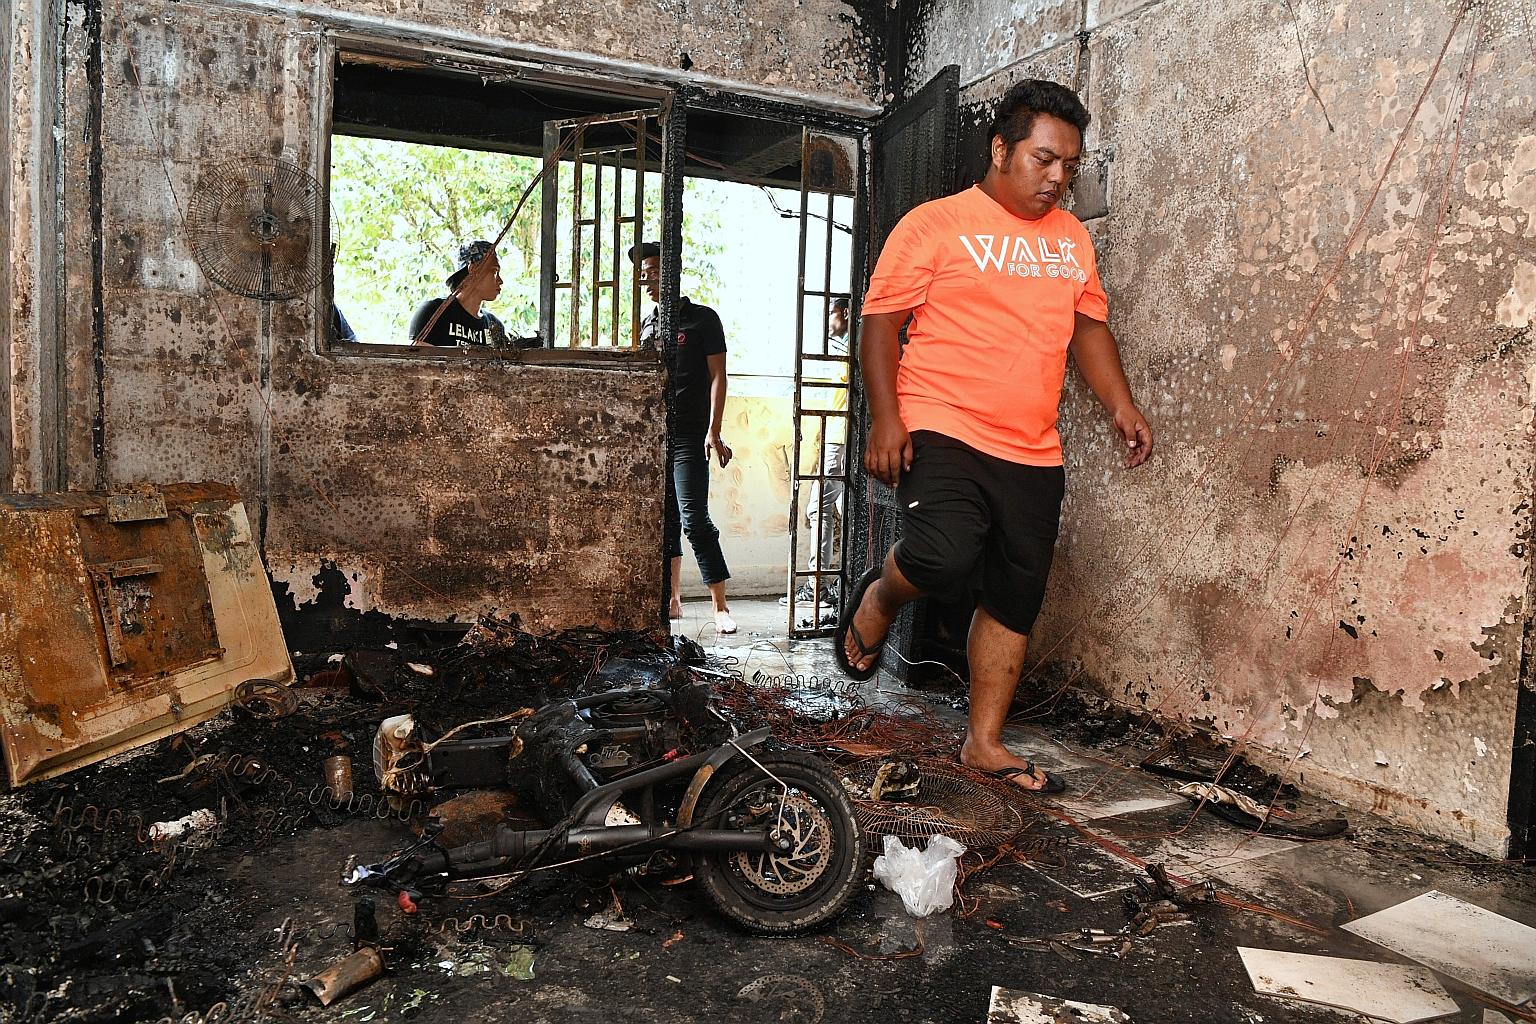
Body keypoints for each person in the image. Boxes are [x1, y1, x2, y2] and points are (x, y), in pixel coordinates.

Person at [837, 79, 1154, 794]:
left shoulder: (1070, 240)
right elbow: (881, 324)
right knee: (942, 555)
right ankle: (881, 598)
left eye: (1069, 166)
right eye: (1043, 159)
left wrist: (1120, 405)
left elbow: (1086, 328)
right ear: (1001, 147)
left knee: (1016, 594)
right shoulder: (934, 224)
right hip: (942, 422)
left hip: (1032, 446)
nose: (1057, 178)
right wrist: (888, 418)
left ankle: (984, 743)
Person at [631, 242, 737, 635]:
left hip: (690, 436)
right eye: (643, 274)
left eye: (655, 270)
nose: (648, 280)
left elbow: (718, 377)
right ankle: (672, 598)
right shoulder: (648, 324)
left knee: (694, 519)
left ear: (674, 271)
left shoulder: (702, 320)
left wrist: (714, 429)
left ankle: (720, 607)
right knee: (666, 521)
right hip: (654, 438)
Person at [784, 296, 850, 622]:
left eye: (831, 313)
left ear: (846, 313)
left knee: (818, 508)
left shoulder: (851, 349)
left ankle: (819, 587)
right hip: (839, 433)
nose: (828, 320)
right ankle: (832, 585)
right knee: (835, 508)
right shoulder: (847, 349)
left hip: (841, 436)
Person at [408, 240, 510, 348]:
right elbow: (418, 360)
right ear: (474, 269)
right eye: (494, 272)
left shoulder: (495, 326)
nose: (500, 280)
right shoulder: (433, 312)